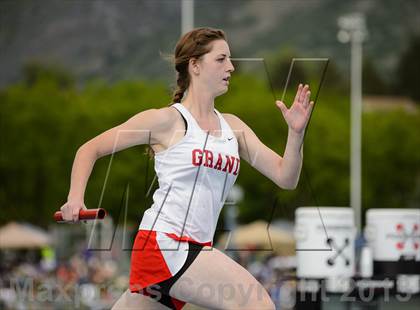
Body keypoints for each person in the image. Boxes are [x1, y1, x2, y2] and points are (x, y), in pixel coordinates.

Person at [59, 27, 313, 310]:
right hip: (165, 244)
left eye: (230, 59)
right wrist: (75, 198)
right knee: (257, 303)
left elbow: (285, 177)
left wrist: (296, 134)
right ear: (195, 65)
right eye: (221, 59)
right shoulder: (166, 121)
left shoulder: (234, 127)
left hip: (190, 251)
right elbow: (89, 150)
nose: (231, 66)